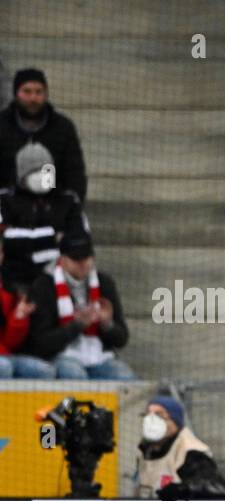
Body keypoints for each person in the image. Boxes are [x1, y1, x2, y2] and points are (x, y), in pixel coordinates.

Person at [22, 232, 133, 380]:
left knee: (123, 376)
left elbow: (122, 339)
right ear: (62, 259)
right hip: (61, 355)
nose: (83, 263)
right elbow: (40, 344)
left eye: (86, 257)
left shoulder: (105, 283)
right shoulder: (44, 286)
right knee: (74, 375)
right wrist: (77, 325)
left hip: (99, 355)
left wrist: (107, 324)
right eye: (76, 258)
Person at [0, 142, 86, 291]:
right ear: (22, 174)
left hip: (58, 280)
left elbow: (78, 238)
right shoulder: (6, 200)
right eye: (35, 172)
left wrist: (29, 240)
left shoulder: (68, 200)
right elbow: (7, 238)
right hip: (15, 280)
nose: (42, 177)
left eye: (46, 171)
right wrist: (52, 236)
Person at [0, 68, 87, 200]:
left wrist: (71, 201)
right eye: (27, 92)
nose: (33, 98)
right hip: (7, 204)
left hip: (53, 204)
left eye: (38, 92)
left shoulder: (63, 127)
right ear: (16, 93)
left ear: (45, 94)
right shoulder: (2, 125)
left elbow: (74, 171)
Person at [134, 395, 225, 501]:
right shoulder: (146, 450)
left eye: (159, 415)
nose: (151, 420)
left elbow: (218, 487)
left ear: (175, 422)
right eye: (148, 414)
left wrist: (182, 490)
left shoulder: (190, 451)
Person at [0, 258, 54, 378]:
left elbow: (10, 343)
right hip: (3, 363)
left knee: (45, 371)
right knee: (3, 368)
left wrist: (18, 318)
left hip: (5, 355)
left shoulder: (9, 290)